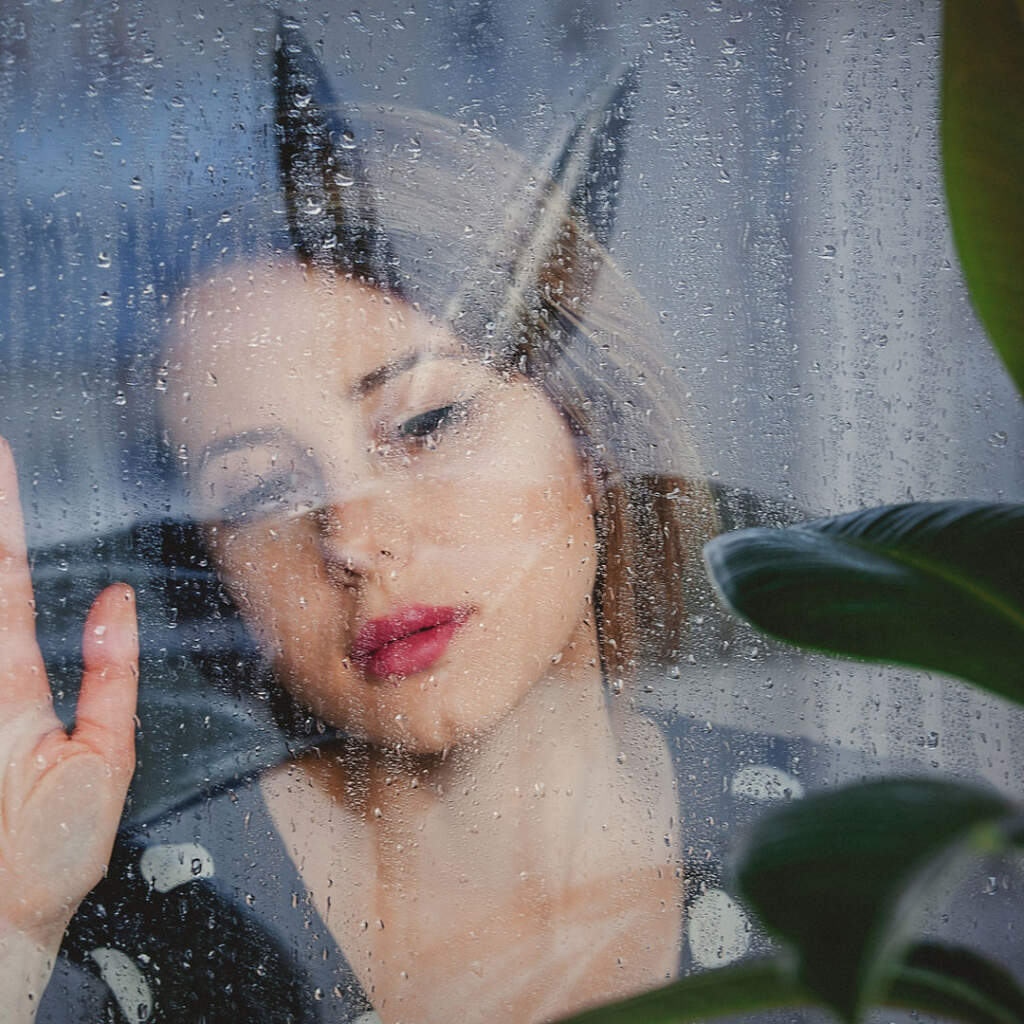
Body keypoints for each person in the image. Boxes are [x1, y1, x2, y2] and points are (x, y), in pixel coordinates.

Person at [0, 20, 724, 1024]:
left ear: (589, 436)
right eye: (259, 492)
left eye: (426, 423)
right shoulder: (120, 932)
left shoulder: (877, 848)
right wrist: (17, 936)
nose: (350, 539)